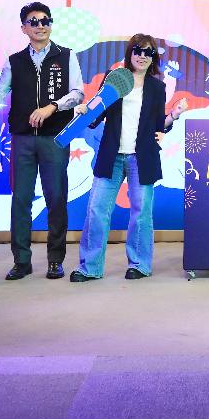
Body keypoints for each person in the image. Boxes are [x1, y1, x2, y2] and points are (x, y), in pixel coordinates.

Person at [0, 2, 86, 281]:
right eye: (34, 21)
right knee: (21, 200)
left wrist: (52, 106)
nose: (41, 26)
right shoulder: (15, 60)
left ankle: (55, 260)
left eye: (45, 20)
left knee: (56, 198)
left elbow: (78, 93)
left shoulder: (67, 56)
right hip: (23, 139)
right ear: (24, 28)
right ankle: (21, 261)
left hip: (55, 138)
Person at [71, 33, 185, 282]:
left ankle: (140, 264)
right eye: (138, 51)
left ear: (153, 58)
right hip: (111, 155)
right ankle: (90, 267)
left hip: (141, 157)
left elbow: (158, 125)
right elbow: (97, 115)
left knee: (141, 213)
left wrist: (174, 116)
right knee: (97, 210)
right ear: (130, 53)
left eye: (148, 52)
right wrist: (84, 111)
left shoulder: (158, 88)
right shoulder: (114, 78)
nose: (142, 56)